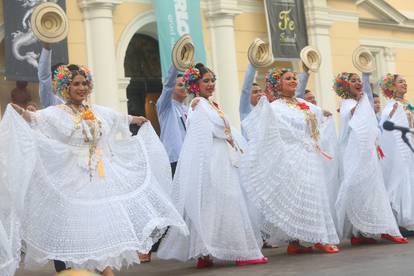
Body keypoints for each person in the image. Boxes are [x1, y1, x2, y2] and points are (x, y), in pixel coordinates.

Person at [0, 64, 188, 276]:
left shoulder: (94, 111)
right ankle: (71, 270)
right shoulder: (57, 113)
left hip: (97, 179)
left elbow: (116, 118)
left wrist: (135, 119)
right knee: (73, 228)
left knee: (99, 227)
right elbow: (35, 119)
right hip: (70, 180)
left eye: (84, 83)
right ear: (65, 87)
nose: (81, 87)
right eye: (75, 84)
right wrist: (18, 111)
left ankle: (105, 270)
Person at [157, 63, 268, 268]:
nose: (210, 84)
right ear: (195, 85)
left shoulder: (210, 104)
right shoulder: (198, 105)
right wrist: (204, 167)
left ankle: (205, 254)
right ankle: (242, 252)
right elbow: (200, 138)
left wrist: (240, 148)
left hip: (223, 158)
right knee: (229, 202)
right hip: (214, 161)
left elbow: (225, 130)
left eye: (212, 80)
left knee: (215, 206)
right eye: (205, 81)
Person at [240, 68, 340, 255]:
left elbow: (318, 114)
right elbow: (265, 129)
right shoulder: (274, 107)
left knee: (313, 194)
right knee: (298, 197)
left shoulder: (302, 103)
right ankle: (304, 240)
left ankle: (308, 240)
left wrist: (326, 114)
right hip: (292, 156)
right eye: (288, 79)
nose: (293, 80)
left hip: (310, 156)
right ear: (278, 84)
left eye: (294, 78)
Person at [334, 72, 407, 245]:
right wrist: (361, 100)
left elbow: (371, 124)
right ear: (345, 86)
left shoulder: (362, 100)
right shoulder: (347, 103)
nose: (358, 83)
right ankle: (357, 232)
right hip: (352, 151)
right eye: (353, 81)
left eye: (359, 80)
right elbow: (352, 115)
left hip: (368, 150)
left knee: (373, 188)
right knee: (355, 187)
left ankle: (377, 229)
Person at [379, 73, 414, 230]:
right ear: (392, 87)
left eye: (405, 81)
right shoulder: (391, 104)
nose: (404, 84)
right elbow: (385, 124)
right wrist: (392, 114)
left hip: (410, 142)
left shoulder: (408, 103)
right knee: (403, 178)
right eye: (401, 82)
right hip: (400, 147)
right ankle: (403, 221)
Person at [239, 63, 310, 121]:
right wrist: (253, 64)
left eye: (260, 91)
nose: (260, 94)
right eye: (255, 92)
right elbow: (246, 90)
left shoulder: (272, 108)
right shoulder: (246, 110)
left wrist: (305, 73)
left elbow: (296, 97)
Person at [156, 65, 188, 176]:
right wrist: (176, 64)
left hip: (189, 158)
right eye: (180, 85)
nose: (184, 87)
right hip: (174, 159)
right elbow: (168, 85)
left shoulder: (187, 109)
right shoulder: (165, 106)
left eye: (185, 84)